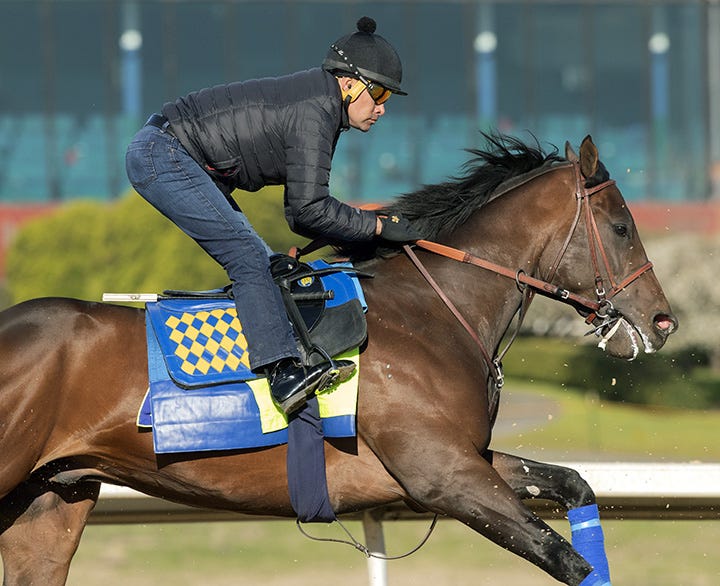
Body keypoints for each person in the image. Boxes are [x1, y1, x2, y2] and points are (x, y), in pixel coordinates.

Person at [125, 17, 421, 416]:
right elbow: (310, 208)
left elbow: (301, 215)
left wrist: (367, 230)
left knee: (267, 264)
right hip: (164, 155)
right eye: (379, 92)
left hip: (174, 153)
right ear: (349, 83)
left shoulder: (321, 105)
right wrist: (378, 226)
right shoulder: (316, 110)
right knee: (250, 260)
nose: (382, 108)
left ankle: (284, 358)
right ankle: (282, 373)